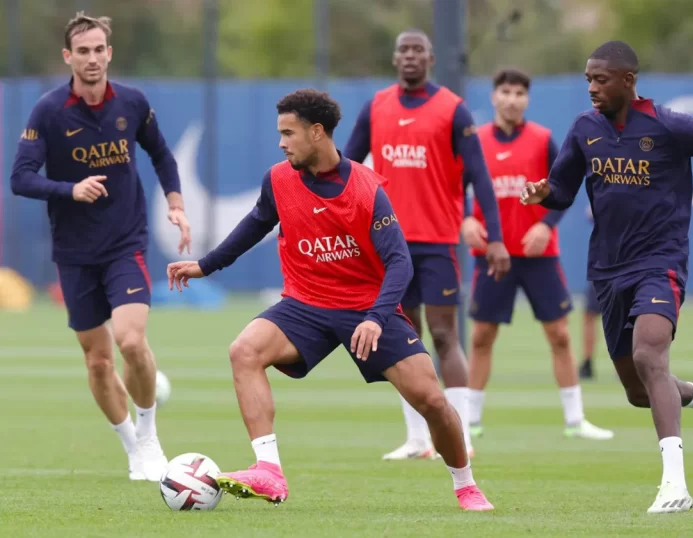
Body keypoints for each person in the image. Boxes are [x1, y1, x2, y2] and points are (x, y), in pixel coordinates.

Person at [167, 89, 494, 511]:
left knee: (431, 400)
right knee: (244, 350)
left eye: (289, 133)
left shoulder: (366, 188)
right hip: (305, 303)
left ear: (317, 132)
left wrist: (376, 317)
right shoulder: (279, 180)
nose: (281, 143)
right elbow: (255, 225)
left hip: (365, 308)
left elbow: (399, 262)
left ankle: (466, 485)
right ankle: (269, 471)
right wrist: (205, 265)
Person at [520, 40, 693, 513]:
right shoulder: (584, 129)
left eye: (601, 79)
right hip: (608, 271)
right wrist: (542, 193)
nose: (592, 87)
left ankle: (674, 485)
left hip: (661, 263)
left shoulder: (669, 124)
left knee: (649, 356)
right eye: (588, 79)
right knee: (639, 390)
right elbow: (563, 189)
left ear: (628, 80)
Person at [10, 12, 190, 481]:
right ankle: (133, 448)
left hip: (125, 243)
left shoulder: (132, 101)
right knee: (97, 361)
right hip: (74, 252)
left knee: (130, 340)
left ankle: (149, 438)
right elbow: (20, 178)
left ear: (109, 53)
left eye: (98, 50)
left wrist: (175, 203)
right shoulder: (49, 111)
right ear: (68, 57)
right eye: (82, 51)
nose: (91, 58)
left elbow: (161, 154)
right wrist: (70, 190)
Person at [344, 29, 510, 461]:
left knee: (444, 335)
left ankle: (461, 436)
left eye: (418, 50)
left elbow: (480, 177)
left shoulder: (452, 109)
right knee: (403, 339)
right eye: (404, 50)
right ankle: (417, 439)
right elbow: (346, 168)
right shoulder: (376, 106)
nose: (411, 56)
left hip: (437, 243)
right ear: (394, 58)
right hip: (388, 244)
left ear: (431, 58)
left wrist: (495, 237)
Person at [461, 68, 613, 441]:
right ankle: (468, 421)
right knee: (481, 336)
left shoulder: (543, 139)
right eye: (505, 92)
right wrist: (465, 219)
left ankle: (576, 421)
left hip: (539, 256)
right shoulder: (475, 140)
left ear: (527, 99)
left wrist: (546, 225)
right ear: (494, 96)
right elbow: (453, 187)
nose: (512, 100)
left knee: (559, 334)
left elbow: (566, 187)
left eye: (519, 93)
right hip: (492, 254)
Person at [579, 205, 602, 380]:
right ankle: (587, 361)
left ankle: (630, 361)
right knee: (590, 313)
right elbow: (591, 213)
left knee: (628, 314)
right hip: (604, 261)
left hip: (630, 259)